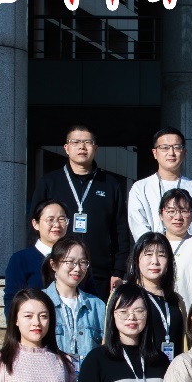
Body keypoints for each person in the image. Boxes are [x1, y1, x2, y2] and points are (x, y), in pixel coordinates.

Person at [28, 124, 130, 298]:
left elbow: (120, 230)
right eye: (75, 142)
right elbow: (35, 224)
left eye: (87, 142)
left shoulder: (110, 184)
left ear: (95, 148)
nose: (82, 147)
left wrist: (118, 271)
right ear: (66, 148)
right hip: (58, 269)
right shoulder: (50, 182)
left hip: (99, 272)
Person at [128, 126, 192, 239]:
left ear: (184, 153)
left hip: (191, 249)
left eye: (177, 147)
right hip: (153, 249)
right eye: (165, 148)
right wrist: (156, 247)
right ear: (155, 153)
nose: (171, 153)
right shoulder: (140, 188)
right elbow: (139, 229)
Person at [42, 237, 106, 374]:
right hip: (51, 379)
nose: (77, 269)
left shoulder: (97, 306)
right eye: (70, 262)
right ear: (53, 265)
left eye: (83, 262)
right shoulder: (40, 302)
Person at [5, 200, 74, 312]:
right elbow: (12, 300)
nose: (57, 225)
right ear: (35, 224)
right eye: (50, 219)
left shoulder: (77, 258)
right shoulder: (21, 259)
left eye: (62, 219)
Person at [125, 233, 185, 360]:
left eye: (161, 255)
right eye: (148, 254)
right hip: (141, 368)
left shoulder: (177, 300)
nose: (155, 261)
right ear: (136, 259)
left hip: (175, 369)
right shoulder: (126, 297)